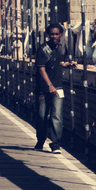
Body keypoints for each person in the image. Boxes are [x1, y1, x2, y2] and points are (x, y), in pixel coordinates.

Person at [34, 24, 70, 153]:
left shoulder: (60, 48)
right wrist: (49, 85)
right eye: (52, 34)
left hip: (58, 86)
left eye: (57, 34)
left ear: (60, 35)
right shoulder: (43, 49)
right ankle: (40, 140)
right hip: (44, 88)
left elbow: (56, 62)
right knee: (42, 116)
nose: (54, 36)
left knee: (57, 115)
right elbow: (41, 68)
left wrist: (66, 65)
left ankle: (55, 144)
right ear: (49, 35)